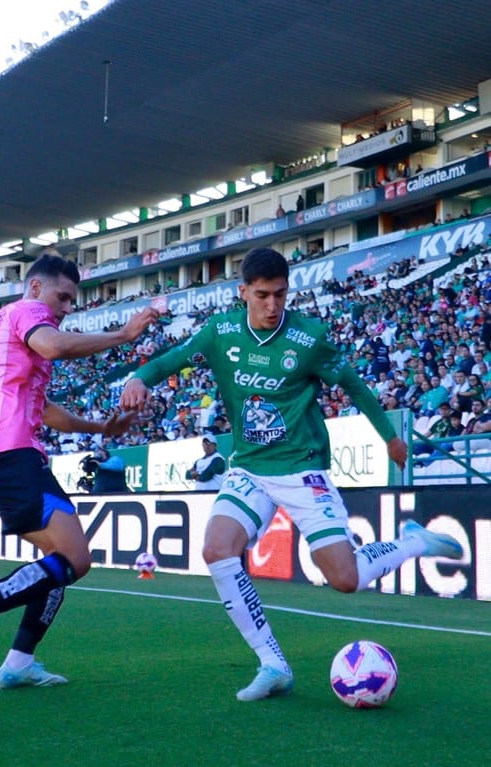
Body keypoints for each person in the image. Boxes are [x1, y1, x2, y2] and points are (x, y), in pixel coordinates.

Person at [120, 247, 462, 702]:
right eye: (262, 295)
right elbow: (171, 359)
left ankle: (415, 540)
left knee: (346, 579)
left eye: (281, 294)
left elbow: (354, 385)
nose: (273, 305)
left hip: (303, 470)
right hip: (249, 468)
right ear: (242, 292)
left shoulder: (309, 338)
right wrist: (138, 377)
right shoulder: (220, 332)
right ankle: (272, 663)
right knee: (217, 550)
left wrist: (388, 436)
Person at [0, 253, 158, 691]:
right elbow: (53, 344)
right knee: (75, 559)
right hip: (8, 455)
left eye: (71, 301)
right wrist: (123, 334)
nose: (67, 307)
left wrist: (101, 428)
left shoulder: (3, 330)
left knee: (56, 561)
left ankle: (18, 662)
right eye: (62, 297)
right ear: (35, 288)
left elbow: (44, 410)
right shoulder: (28, 313)